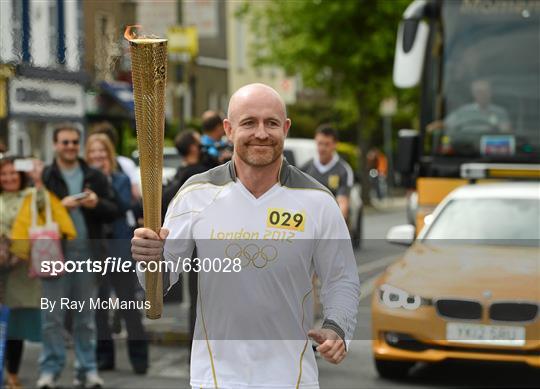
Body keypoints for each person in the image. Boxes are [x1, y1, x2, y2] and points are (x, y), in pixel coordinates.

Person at [132, 83, 360, 388]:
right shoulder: (196, 195)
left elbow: (341, 278)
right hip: (215, 378)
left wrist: (336, 327)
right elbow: (157, 289)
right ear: (228, 129)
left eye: (272, 123)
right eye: (249, 122)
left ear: (286, 128)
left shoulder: (317, 200)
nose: (262, 133)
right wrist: (149, 260)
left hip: (291, 378)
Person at [38, 123, 118, 389]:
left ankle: (87, 370)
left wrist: (96, 204)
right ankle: (50, 369)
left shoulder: (93, 175)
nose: (70, 147)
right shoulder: (47, 176)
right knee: (52, 319)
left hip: (88, 254)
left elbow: (114, 209)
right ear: (55, 145)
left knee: (86, 318)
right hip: (54, 254)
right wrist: (60, 207)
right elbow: (34, 214)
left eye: (74, 142)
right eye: (65, 142)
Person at [0, 156, 74, 389]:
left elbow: (47, 211)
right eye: (4, 173)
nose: (9, 177)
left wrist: (38, 179)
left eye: (13, 173)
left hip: (20, 269)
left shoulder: (32, 195)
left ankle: (12, 372)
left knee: (15, 325)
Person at [85, 133, 149, 375]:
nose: (98, 156)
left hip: (120, 247)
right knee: (99, 306)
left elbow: (123, 206)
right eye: (93, 152)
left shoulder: (120, 178)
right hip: (95, 249)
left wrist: (104, 184)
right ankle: (105, 357)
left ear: (109, 154)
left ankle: (139, 358)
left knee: (128, 305)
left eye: (102, 151)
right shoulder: (85, 181)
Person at [301, 125, 354, 221]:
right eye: (319, 143)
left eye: (326, 144)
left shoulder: (343, 170)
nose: (322, 148)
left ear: (335, 144)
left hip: (332, 221)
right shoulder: (305, 168)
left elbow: (342, 203)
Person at [428, 79, 511, 134]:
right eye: (479, 92)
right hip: (466, 149)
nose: (482, 94)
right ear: (474, 94)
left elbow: (506, 132)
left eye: (485, 91)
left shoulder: (500, 112)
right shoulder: (463, 112)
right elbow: (446, 125)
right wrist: (431, 129)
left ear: (490, 93)